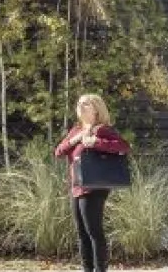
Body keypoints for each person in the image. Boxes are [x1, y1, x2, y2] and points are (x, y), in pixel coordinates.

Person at [54, 93, 131, 272]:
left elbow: (123, 147)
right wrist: (77, 138)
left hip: (95, 186)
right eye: (79, 103)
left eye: (86, 104)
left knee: (94, 232)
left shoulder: (102, 129)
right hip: (77, 187)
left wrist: (96, 142)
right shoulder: (76, 129)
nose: (81, 106)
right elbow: (58, 152)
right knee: (82, 234)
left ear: (96, 109)